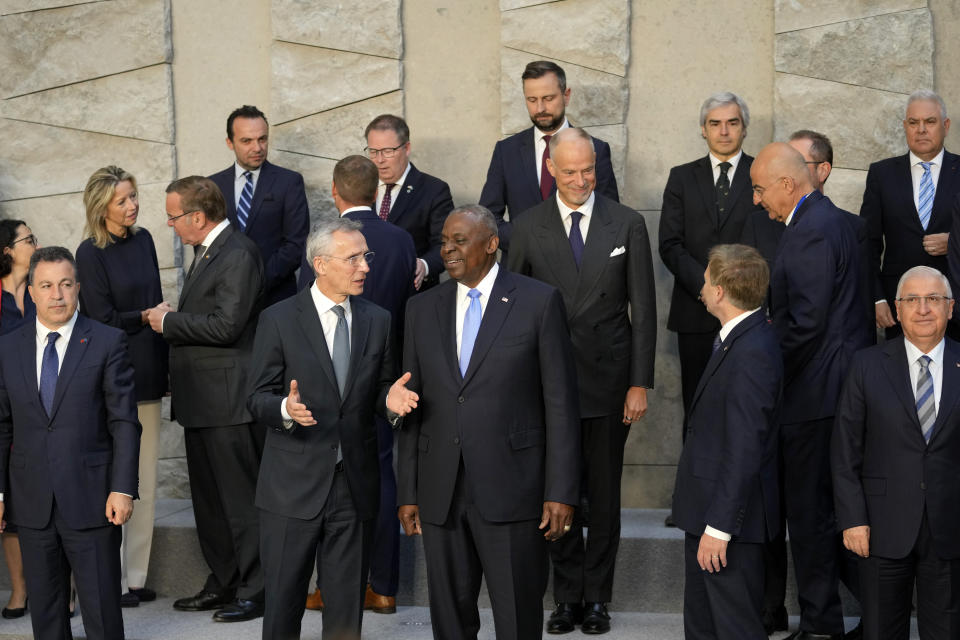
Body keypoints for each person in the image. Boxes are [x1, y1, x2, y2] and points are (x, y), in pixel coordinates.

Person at [397, 205, 581, 640]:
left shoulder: (538, 301)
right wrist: (409, 489)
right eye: (445, 241)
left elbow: (560, 404)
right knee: (450, 623)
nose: (448, 249)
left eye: (459, 240)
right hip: (441, 492)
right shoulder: (421, 309)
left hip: (513, 491)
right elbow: (410, 403)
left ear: (492, 244)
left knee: (517, 619)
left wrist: (561, 491)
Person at [507, 127, 656, 635]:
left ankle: (598, 598)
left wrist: (640, 382)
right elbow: (511, 308)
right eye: (568, 171)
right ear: (551, 169)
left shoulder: (627, 223)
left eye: (587, 169)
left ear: (598, 166)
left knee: (605, 494)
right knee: (557, 489)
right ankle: (566, 597)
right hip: (546, 384)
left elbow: (645, 308)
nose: (579, 179)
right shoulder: (526, 226)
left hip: (609, 382)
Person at [249, 216, 418, 640]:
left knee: (345, 614)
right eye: (354, 258)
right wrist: (284, 408)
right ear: (321, 264)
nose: (365, 267)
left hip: (353, 487)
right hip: (291, 488)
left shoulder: (377, 319)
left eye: (366, 257)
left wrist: (390, 403)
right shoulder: (279, 318)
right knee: (283, 609)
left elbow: (378, 390)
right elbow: (256, 397)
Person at [741, 130, 867, 635]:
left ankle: (820, 625)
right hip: (827, 392)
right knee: (822, 515)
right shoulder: (826, 221)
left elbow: (807, 322)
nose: (756, 199)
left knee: (812, 517)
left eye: (759, 188)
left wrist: (764, 365)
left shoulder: (812, 229)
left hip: (816, 397)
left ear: (787, 184)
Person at [0, 246, 140, 640]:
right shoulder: (7, 347)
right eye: (46, 286)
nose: (57, 295)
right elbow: (2, 425)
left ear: (78, 287)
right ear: (31, 291)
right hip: (32, 504)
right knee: (45, 613)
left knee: (102, 612)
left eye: (65, 284)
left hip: (94, 500)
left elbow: (124, 422)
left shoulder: (107, 341)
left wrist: (122, 488)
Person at [299, 156, 416, 615]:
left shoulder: (323, 246)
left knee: (337, 480)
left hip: (337, 381)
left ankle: (331, 587)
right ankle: (384, 587)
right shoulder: (404, 240)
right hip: (390, 379)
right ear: (377, 191)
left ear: (335, 192)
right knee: (382, 476)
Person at [147, 176, 266, 622]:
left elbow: (226, 325)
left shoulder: (238, 252)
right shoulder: (209, 252)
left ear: (197, 217)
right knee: (211, 506)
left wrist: (170, 321)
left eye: (174, 216)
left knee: (239, 504)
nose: (171, 224)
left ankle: (256, 590)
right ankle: (224, 582)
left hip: (230, 404)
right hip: (204, 403)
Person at [833, 265, 960, 640]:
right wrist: (852, 519)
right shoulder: (866, 365)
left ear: (950, 308)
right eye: (912, 300)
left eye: (933, 299)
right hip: (880, 529)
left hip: (950, 529)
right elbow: (844, 451)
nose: (923, 308)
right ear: (897, 309)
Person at [672, 243, 782, 640]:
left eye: (704, 281)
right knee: (704, 626)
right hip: (709, 511)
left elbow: (744, 447)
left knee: (732, 627)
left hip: (727, 523)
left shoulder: (752, 350)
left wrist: (718, 528)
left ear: (719, 290)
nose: (700, 288)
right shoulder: (738, 338)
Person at [76, 166, 169, 609]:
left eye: (133, 196)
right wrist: (147, 317)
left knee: (145, 479)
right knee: (112, 479)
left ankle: (135, 577)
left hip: (148, 371)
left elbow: (152, 302)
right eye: (122, 200)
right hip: (109, 377)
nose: (132, 206)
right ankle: (106, 579)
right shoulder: (88, 254)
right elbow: (101, 319)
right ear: (101, 207)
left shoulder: (146, 239)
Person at [659, 91, 763, 479]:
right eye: (715, 123)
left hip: (751, 312)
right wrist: (706, 285)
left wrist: (736, 289)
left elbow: (769, 239)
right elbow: (669, 244)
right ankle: (694, 497)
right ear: (703, 130)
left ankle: (742, 497)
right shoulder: (681, 177)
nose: (724, 131)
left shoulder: (760, 173)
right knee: (698, 407)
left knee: (745, 406)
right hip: (695, 312)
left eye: (732, 122)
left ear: (744, 128)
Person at [479, 60, 619, 253]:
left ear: (566, 95)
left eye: (548, 98)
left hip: (577, 270)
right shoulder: (506, 151)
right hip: (522, 273)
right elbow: (487, 217)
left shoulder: (598, 149)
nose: (540, 109)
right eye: (532, 100)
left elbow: (608, 216)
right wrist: (526, 241)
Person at [862, 90, 960, 341]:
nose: (921, 130)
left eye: (930, 121)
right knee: (900, 377)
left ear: (945, 125)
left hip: (955, 303)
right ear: (905, 127)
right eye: (914, 123)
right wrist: (877, 297)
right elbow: (867, 243)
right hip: (900, 306)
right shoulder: (881, 174)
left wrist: (954, 241)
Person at [210, 105, 309, 306]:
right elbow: (205, 243)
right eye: (247, 141)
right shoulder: (213, 186)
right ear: (230, 143)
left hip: (276, 300)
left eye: (262, 139)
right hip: (225, 303)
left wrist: (256, 282)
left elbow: (296, 244)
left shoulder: (289, 182)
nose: (257, 148)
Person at [362, 114, 453, 292]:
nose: (379, 160)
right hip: (367, 296)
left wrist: (424, 265)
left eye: (388, 151)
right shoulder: (362, 187)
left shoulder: (434, 190)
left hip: (412, 296)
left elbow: (445, 245)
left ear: (407, 148)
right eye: (373, 152)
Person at [0, 219, 36, 620]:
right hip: (4, 411)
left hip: (43, 406)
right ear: (8, 250)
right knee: (7, 503)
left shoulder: (44, 290)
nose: (35, 243)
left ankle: (64, 590)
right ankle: (19, 590)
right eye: (28, 239)